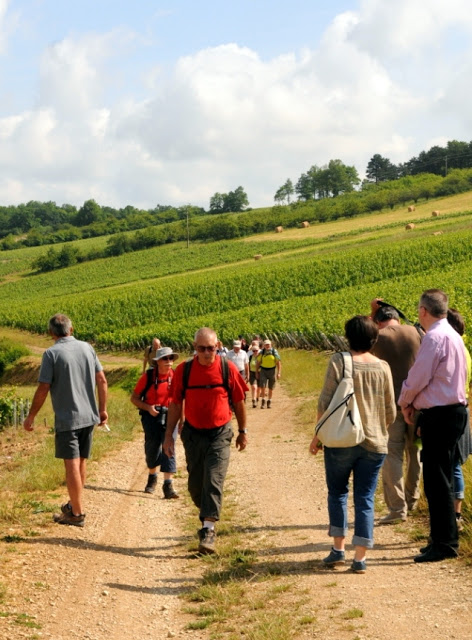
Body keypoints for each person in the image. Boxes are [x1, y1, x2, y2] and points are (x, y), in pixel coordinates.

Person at [309, 316, 396, 573]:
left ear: (348, 337)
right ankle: (360, 557)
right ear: (374, 339)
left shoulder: (339, 361)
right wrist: (379, 429)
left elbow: (325, 404)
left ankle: (338, 549)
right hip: (375, 441)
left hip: (341, 440)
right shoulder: (383, 367)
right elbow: (390, 409)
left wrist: (317, 436)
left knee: (337, 492)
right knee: (365, 498)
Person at [163, 327, 248, 554]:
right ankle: (207, 513)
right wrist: (168, 436)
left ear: (218, 346)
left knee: (213, 478)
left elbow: (239, 401)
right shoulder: (184, 371)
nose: (207, 352)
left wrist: (243, 431)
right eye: (202, 348)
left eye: (211, 348)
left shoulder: (226, 368)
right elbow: (174, 403)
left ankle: (208, 530)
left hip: (220, 433)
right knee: (195, 485)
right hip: (193, 433)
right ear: (195, 348)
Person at [399, 289, 468, 563]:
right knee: (444, 480)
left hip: (440, 415)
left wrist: (405, 401)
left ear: (423, 311)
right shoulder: (454, 336)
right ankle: (442, 539)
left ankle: (445, 544)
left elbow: (418, 377)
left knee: (436, 482)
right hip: (454, 412)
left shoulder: (435, 338)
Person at [23, 313, 108, 527]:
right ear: (71, 329)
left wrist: (31, 415)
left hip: (68, 419)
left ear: (51, 332)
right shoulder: (87, 347)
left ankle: (76, 514)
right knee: (81, 462)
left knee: (71, 464)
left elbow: (44, 387)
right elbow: (102, 380)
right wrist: (102, 410)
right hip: (89, 416)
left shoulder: (51, 354)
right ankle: (73, 505)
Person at [369, 301, 422, 524]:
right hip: (418, 402)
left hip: (389, 403)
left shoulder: (377, 337)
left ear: (378, 321)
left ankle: (397, 508)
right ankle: (412, 500)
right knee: (415, 452)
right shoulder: (417, 331)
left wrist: (371, 313)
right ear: (397, 318)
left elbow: (362, 336)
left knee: (391, 453)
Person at [130, 346, 180, 499]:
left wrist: (182, 419)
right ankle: (152, 476)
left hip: (170, 416)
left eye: (171, 358)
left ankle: (168, 485)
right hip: (150, 417)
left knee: (169, 446)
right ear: (157, 361)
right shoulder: (148, 377)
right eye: (165, 359)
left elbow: (181, 400)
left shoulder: (176, 377)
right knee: (152, 448)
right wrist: (148, 408)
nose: (169, 362)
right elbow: (134, 398)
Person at [446, 308, 472, 532]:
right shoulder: (464, 349)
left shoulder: (455, 349)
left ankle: (454, 515)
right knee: (456, 464)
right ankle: (456, 514)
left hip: (452, 410)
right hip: (464, 408)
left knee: (452, 465)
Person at [256, 339, 281, 408]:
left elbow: (278, 362)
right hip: (263, 370)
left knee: (270, 387)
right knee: (263, 386)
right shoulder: (262, 352)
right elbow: (258, 362)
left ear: (271, 345)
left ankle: (269, 401)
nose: (267, 346)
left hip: (272, 371)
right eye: (266, 345)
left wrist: (279, 373)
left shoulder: (274, 352)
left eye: (268, 344)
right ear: (264, 345)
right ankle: (263, 401)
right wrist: (256, 372)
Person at [247, 343, 261, 408]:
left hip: (260, 373)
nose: (255, 352)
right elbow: (247, 366)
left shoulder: (261, 357)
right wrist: (247, 374)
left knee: (259, 388)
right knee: (254, 387)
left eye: (256, 350)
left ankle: (257, 397)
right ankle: (254, 400)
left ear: (259, 350)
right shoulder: (250, 357)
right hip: (252, 373)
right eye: (253, 351)